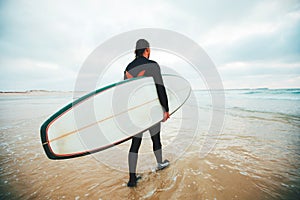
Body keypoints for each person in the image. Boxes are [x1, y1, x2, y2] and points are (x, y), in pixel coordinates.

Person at [124, 39, 170, 187]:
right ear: (147, 50)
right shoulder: (152, 65)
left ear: (135, 51)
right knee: (155, 138)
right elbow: (160, 87)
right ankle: (160, 163)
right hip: (152, 109)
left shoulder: (128, 68)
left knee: (135, 144)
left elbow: (126, 92)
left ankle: (132, 179)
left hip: (136, 111)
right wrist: (166, 109)